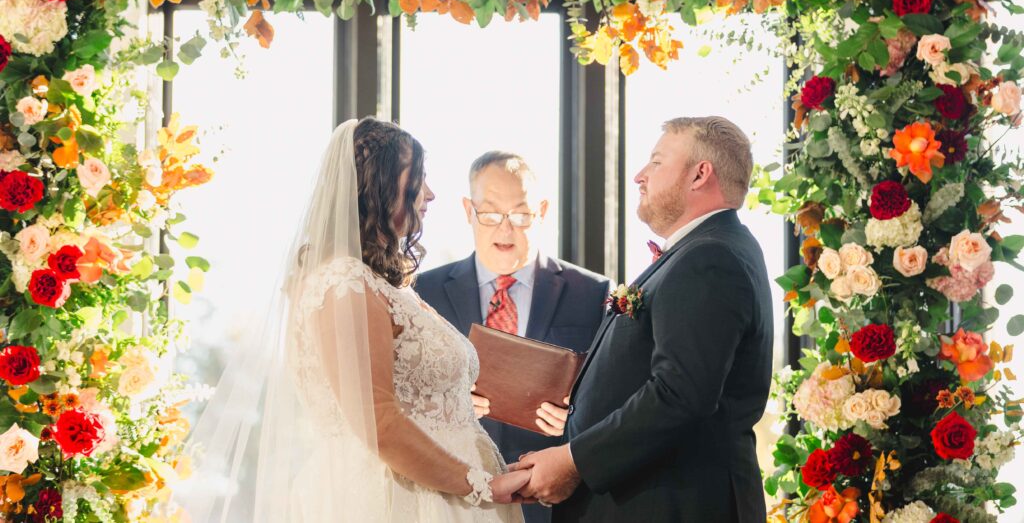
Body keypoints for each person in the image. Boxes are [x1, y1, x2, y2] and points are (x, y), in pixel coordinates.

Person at [183, 119, 528, 523]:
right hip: (405, 500)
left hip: (444, 492)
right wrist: (479, 483)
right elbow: (377, 418)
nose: (430, 194)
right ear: (379, 186)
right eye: (418, 179)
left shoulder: (382, 284)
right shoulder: (344, 284)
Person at [511, 116, 774, 523]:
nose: (638, 176)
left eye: (655, 162)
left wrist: (573, 461)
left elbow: (680, 394)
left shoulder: (710, 258)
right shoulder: (713, 249)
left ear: (700, 174)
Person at [416, 151, 609, 523]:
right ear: (468, 210)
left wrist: (576, 413)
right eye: (490, 214)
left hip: (554, 503)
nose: (505, 230)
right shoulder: (426, 291)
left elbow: (614, 400)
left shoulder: (593, 293)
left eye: (520, 215)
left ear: (542, 211)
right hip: (455, 500)